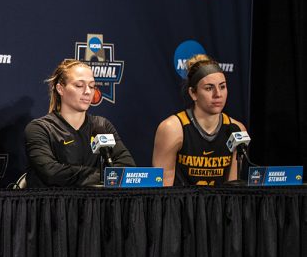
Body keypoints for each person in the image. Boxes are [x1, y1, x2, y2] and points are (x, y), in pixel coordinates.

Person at [24, 59, 135, 187]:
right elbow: (52, 173)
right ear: (60, 89)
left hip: (97, 205)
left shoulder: (102, 125)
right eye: (79, 85)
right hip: (54, 204)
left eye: (92, 86)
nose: (88, 91)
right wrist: (104, 176)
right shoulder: (40, 128)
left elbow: (127, 167)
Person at [152, 54, 246, 186]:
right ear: (193, 93)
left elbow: (233, 189)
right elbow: (161, 190)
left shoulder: (237, 129)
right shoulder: (172, 128)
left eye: (222, 86)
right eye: (209, 88)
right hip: (180, 205)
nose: (218, 94)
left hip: (220, 205)